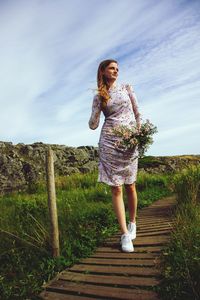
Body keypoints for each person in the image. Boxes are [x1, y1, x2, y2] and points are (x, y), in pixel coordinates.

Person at [88, 59, 142, 252]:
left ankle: (133, 223)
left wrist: (139, 134)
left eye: (117, 69)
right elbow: (93, 125)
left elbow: (137, 113)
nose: (116, 71)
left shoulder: (127, 88)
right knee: (116, 188)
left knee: (130, 185)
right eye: (112, 68)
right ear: (102, 71)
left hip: (129, 143)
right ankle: (124, 235)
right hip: (109, 142)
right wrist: (96, 110)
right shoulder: (98, 96)